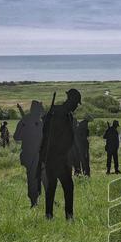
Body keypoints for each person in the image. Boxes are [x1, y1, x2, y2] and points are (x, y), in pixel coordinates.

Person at [39, 89, 81, 220]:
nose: (76, 107)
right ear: (72, 100)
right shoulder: (59, 113)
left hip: (58, 157)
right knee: (67, 186)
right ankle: (68, 216)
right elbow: (53, 136)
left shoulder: (62, 113)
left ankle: (49, 215)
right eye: (76, 103)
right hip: (57, 157)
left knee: (52, 186)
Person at [14, 101, 44, 206]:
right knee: (34, 179)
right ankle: (34, 201)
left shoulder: (28, 121)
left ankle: (36, 200)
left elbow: (17, 137)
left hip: (35, 155)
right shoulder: (38, 122)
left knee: (35, 179)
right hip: (34, 155)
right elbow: (17, 137)